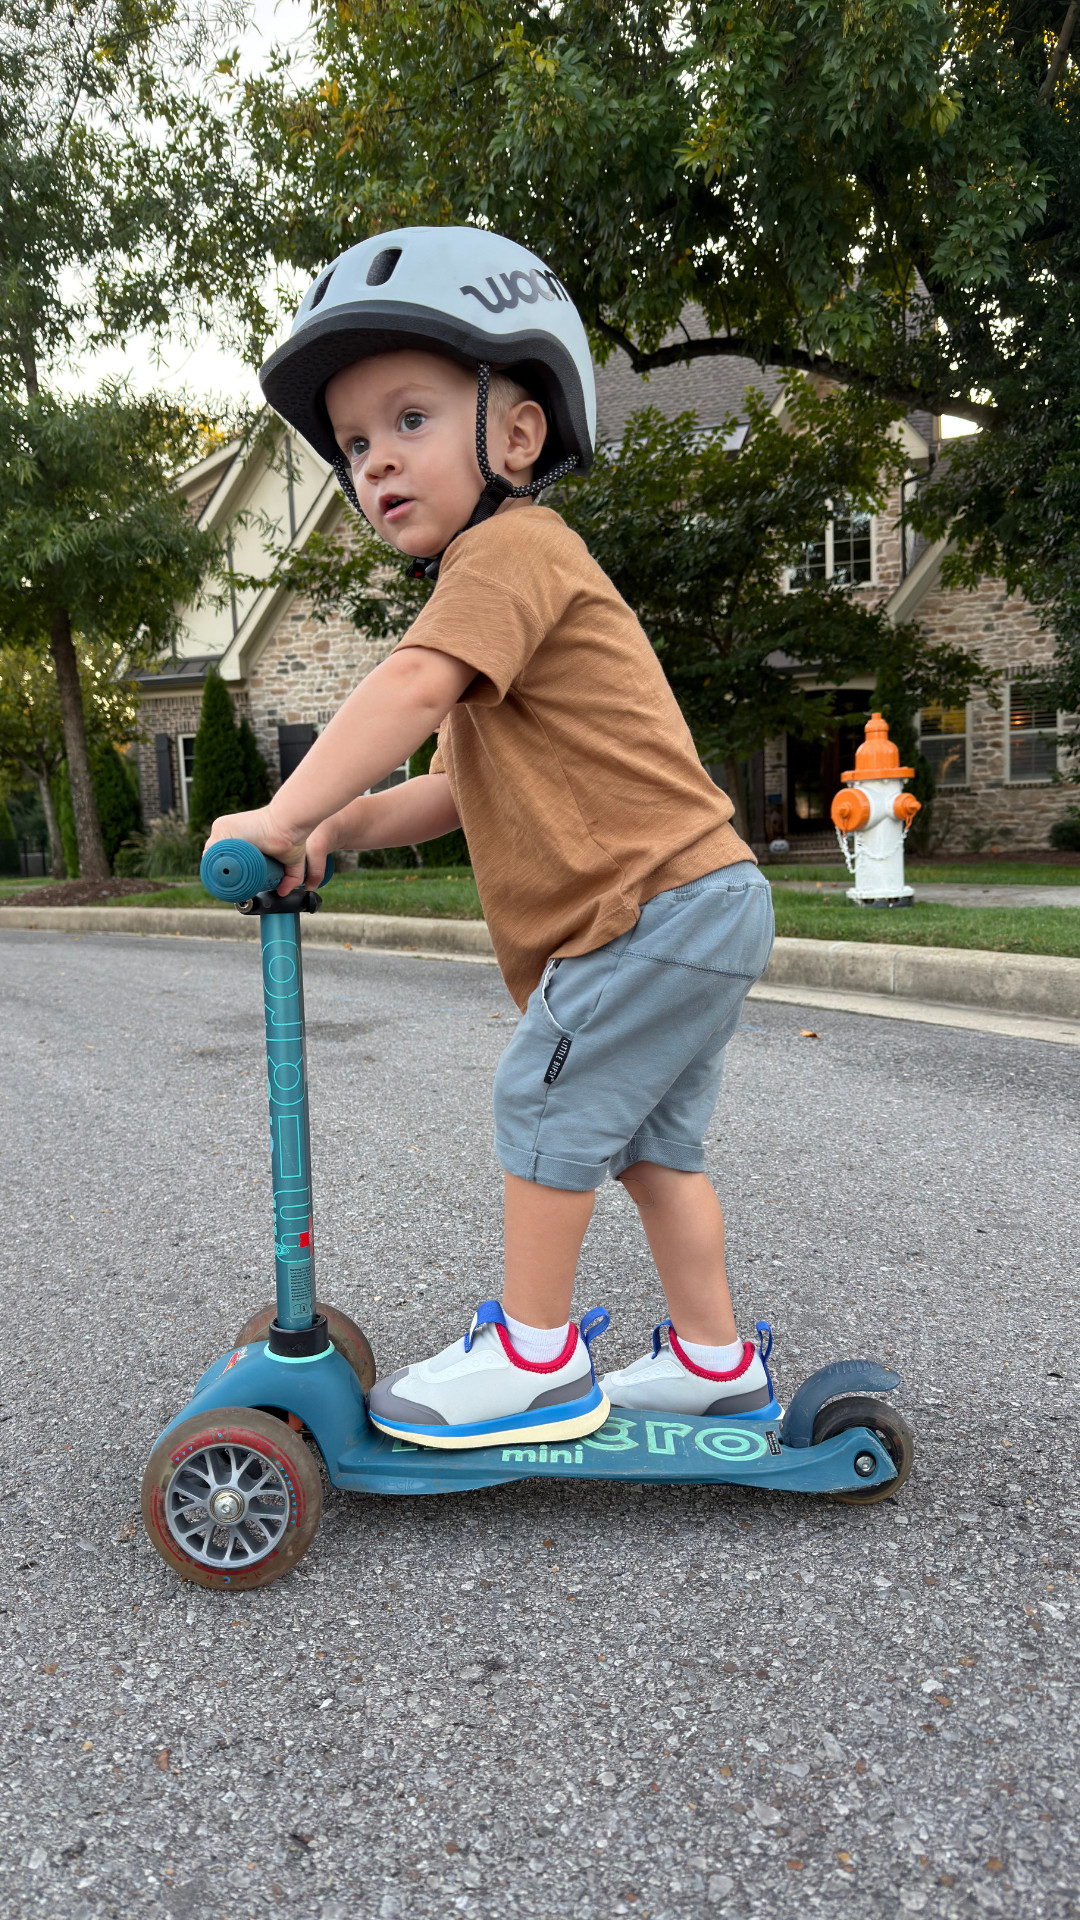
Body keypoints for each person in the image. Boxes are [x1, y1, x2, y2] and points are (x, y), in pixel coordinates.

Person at [207, 226, 779, 1449]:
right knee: (649, 1152)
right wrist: (336, 832)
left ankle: (535, 1360)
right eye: (355, 445)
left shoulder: (508, 551)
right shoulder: (504, 609)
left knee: (543, 1099)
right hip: (700, 895)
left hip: (645, 907)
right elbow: (448, 788)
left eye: (409, 420)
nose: (375, 464)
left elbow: (408, 693)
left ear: (516, 437)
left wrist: (283, 809)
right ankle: (716, 1361)